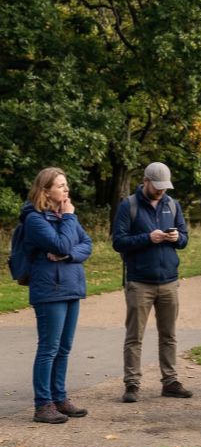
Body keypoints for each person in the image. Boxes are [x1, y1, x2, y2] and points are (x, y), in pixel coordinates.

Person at [112, 162, 192, 404]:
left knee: (169, 335)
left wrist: (177, 238)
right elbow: (119, 242)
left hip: (169, 280)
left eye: (165, 187)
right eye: (157, 186)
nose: (161, 191)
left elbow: (184, 239)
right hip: (140, 281)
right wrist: (148, 238)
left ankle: (170, 381)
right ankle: (132, 384)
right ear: (145, 181)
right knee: (134, 336)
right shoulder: (129, 206)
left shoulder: (172, 204)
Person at [21, 168, 94, 423]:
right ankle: (43, 404)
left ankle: (59, 398)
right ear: (45, 191)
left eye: (66, 184)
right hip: (49, 290)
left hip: (71, 287)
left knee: (63, 349)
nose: (66, 189)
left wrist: (68, 255)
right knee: (49, 349)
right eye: (60, 185)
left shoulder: (63, 217)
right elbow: (61, 243)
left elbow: (87, 245)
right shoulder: (35, 220)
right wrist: (69, 219)